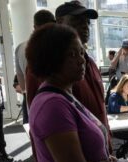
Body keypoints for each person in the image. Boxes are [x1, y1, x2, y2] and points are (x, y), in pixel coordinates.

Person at [26, 23, 128, 162]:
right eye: (72, 54)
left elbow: (84, 150)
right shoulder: (53, 105)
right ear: (51, 60)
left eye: (82, 52)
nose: (82, 59)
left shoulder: (66, 95)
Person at [26, 1, 112, 152]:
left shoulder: (88, 62)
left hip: (101, 156)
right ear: (59, 23)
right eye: (77, 21)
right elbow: (40, 123)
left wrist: (108, 146)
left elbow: (99, 111)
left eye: (87, 23)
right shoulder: (48, 66)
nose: (85, 26)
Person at [15, 9, 56, 124]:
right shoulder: (57, 47)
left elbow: (22, 83)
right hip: (53, 103)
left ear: (34, 27)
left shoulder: (20, 48)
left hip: (31, 99)